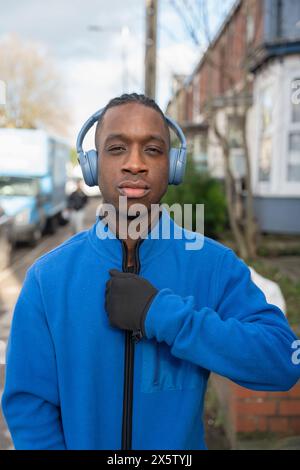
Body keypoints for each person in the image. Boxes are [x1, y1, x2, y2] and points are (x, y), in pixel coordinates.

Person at [1, 93, 299, 450]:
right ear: (92, 167)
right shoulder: (47, 279)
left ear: (173, 166)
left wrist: (162, 315)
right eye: (117, 149)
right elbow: (29, 406)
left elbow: (283, 360)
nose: (135, 164)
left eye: (153, 150)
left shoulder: (213, 265)